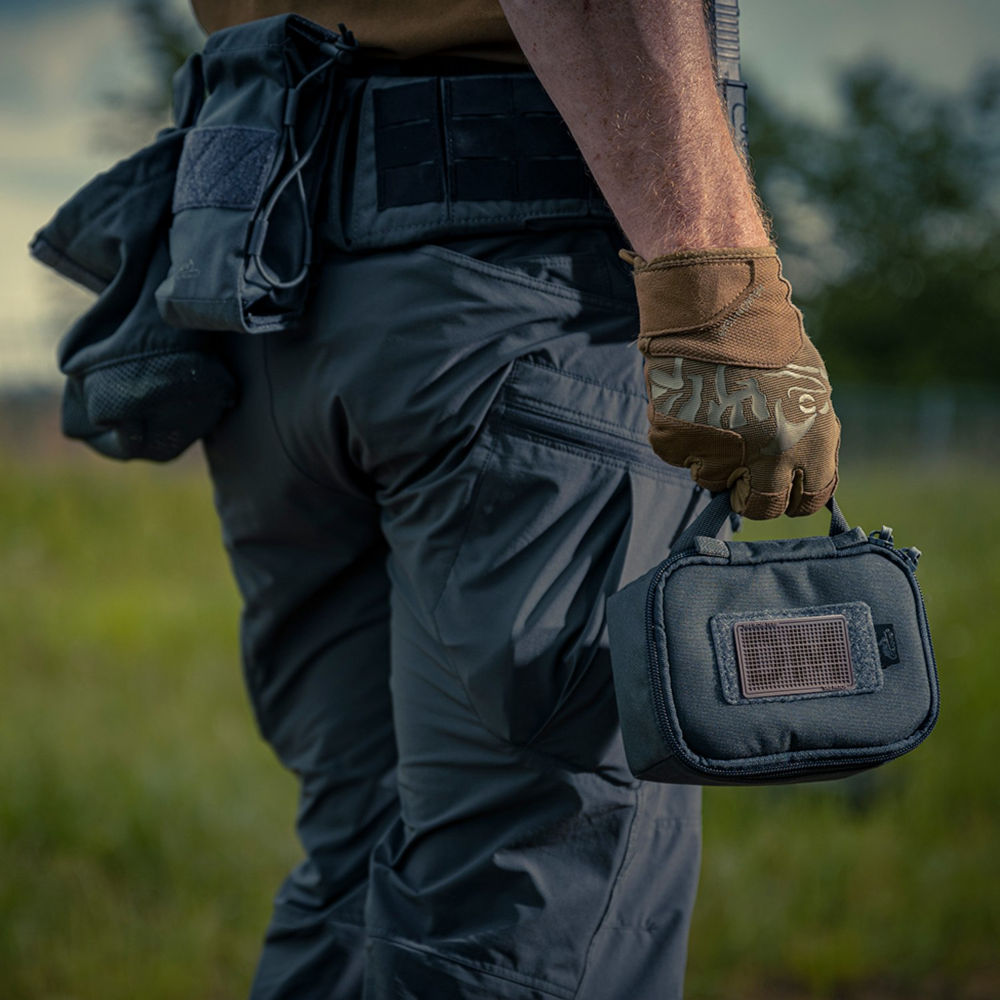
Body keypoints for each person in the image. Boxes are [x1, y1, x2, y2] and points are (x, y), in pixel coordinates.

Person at [184, 1, 840, 997]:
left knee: (359, 870)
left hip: (271, 276)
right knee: (531, 902)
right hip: (516, 294)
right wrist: (717, 282)